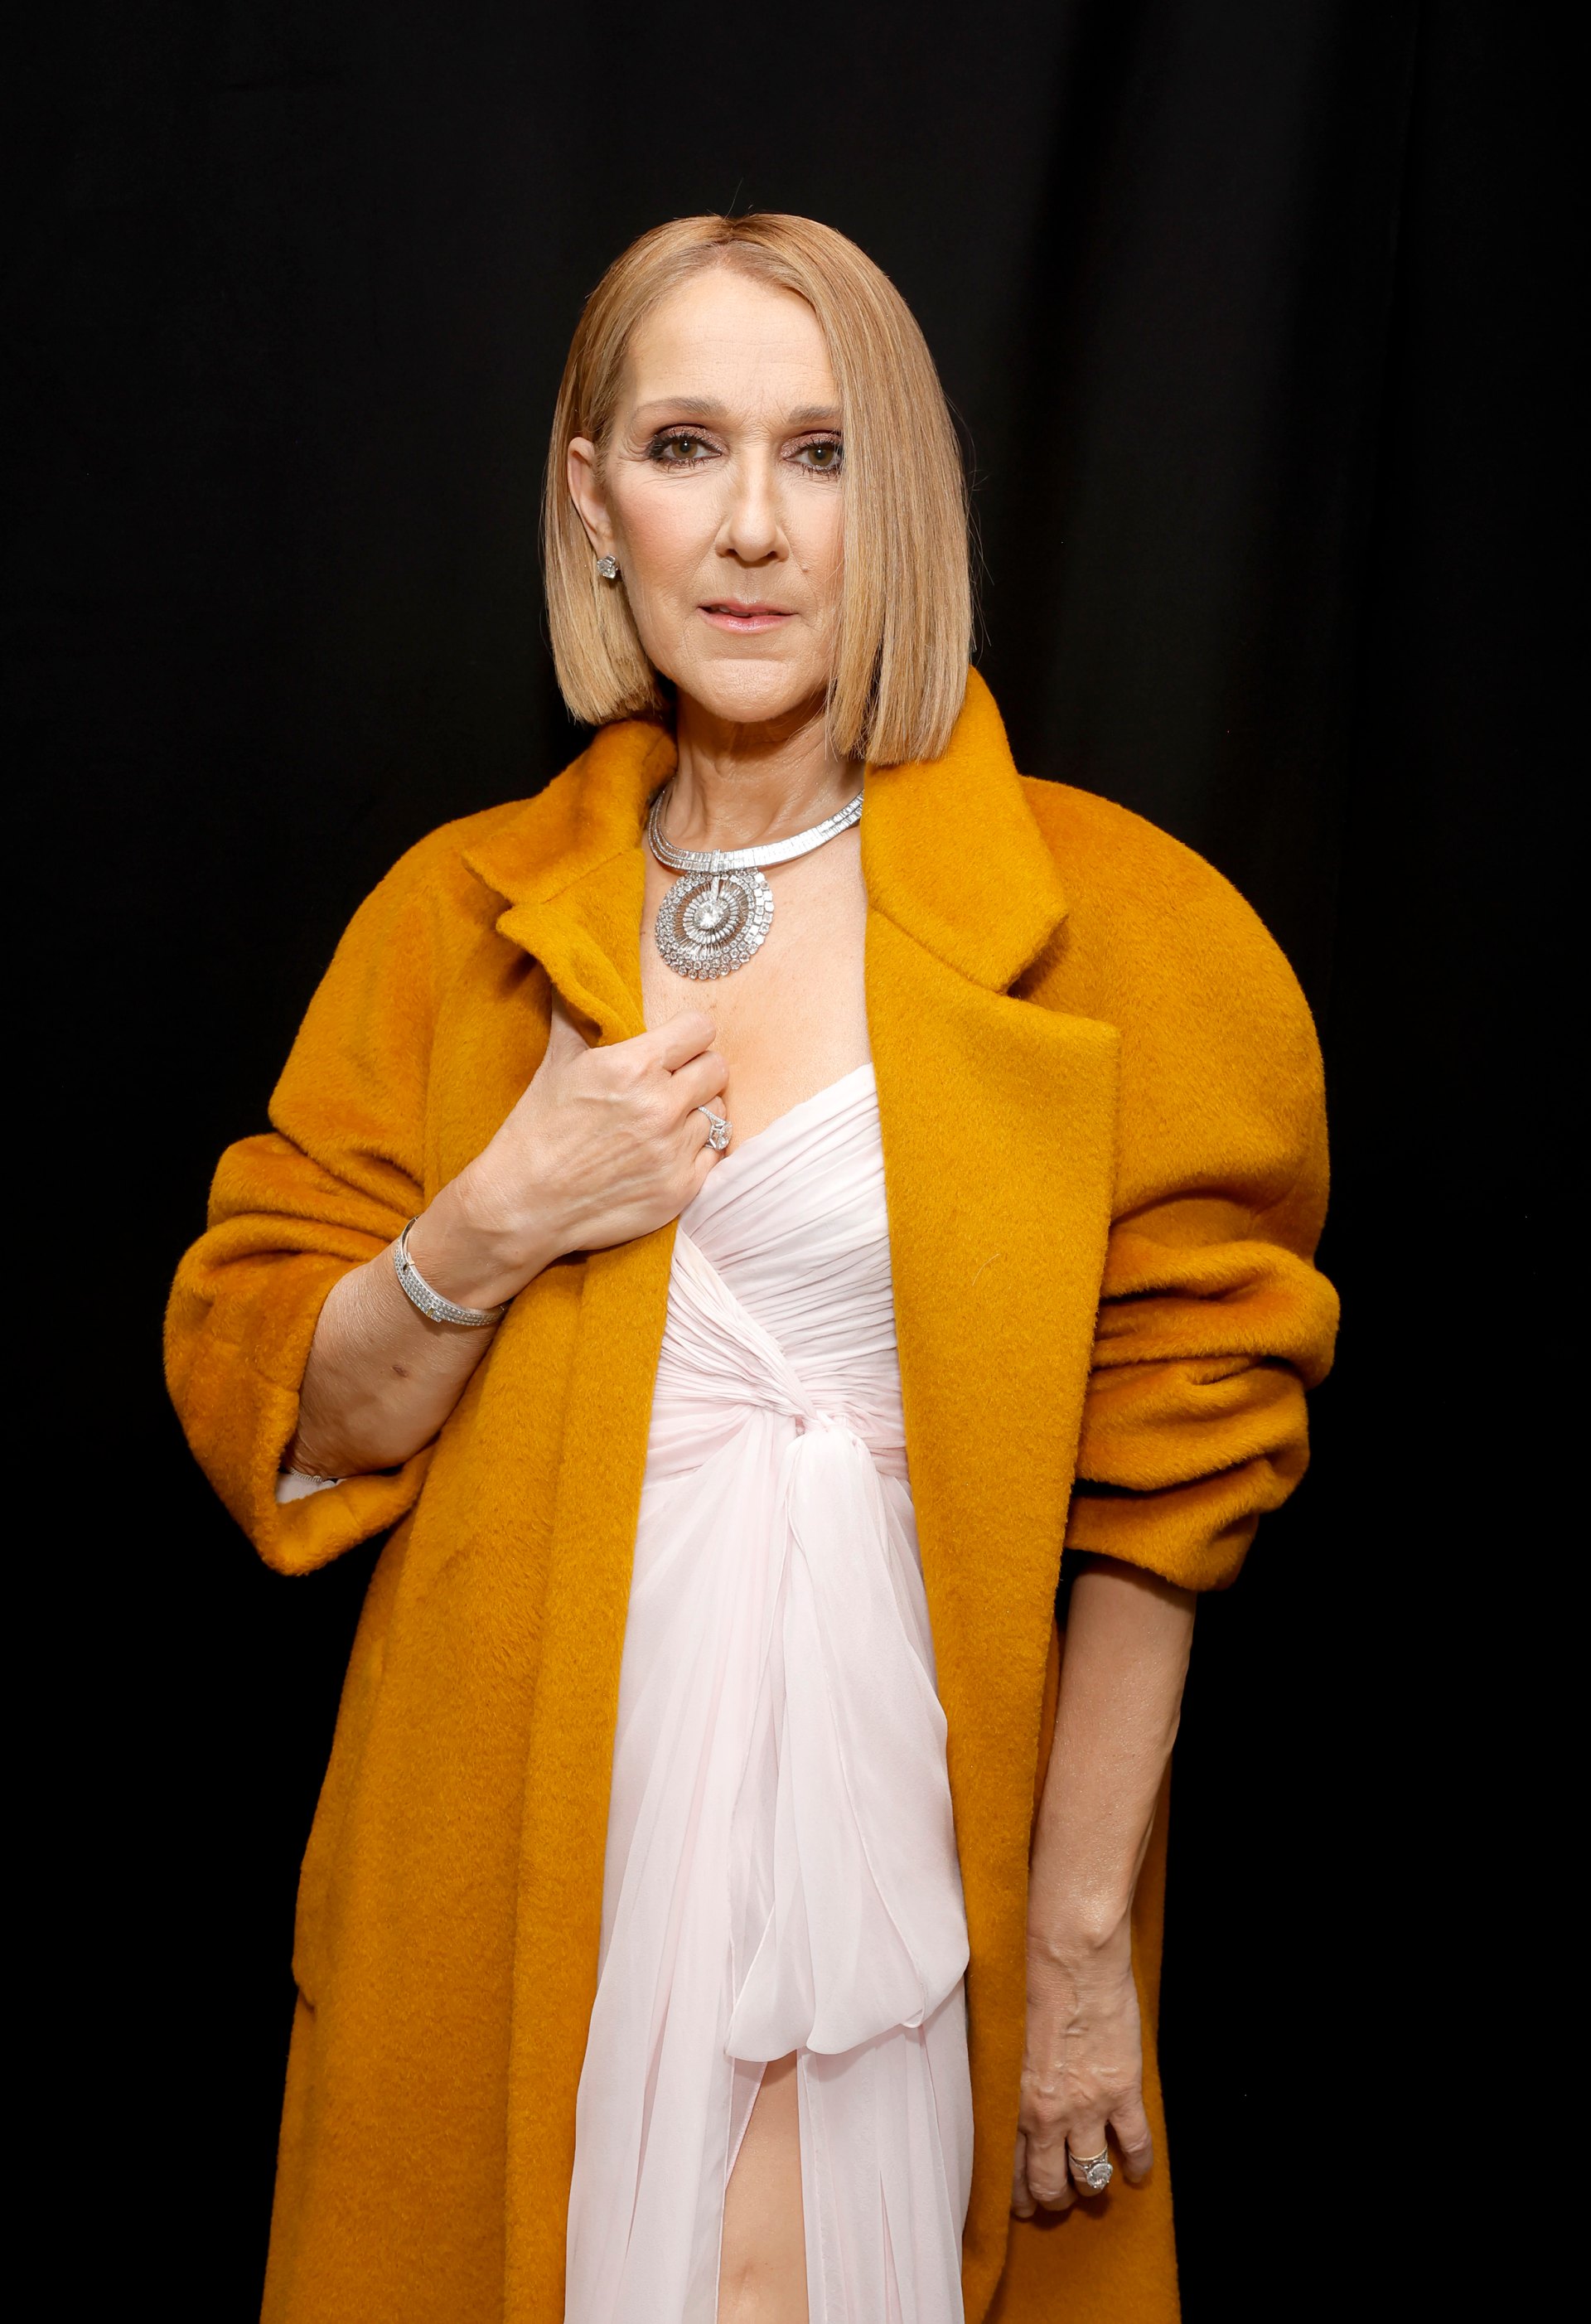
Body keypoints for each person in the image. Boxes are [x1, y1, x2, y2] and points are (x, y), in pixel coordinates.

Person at [167, 213, 1337, 2324]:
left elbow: (1175, 1479)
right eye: (686, 445)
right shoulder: (454, 923)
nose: (752, 528)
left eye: (820, 453)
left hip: (897, 1849)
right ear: (589, 495)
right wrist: (498, 1210)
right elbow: (298, 1412)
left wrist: (1080, 1935)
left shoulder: (1127, 930)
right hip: (520, 1826)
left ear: (904, 499)